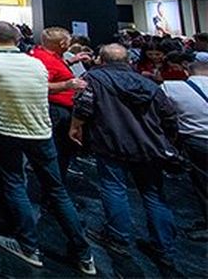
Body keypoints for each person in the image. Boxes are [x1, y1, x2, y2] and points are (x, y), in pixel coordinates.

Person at [0, 21, 94, 275]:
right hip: (41, 131)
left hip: (7, 131)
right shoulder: (36, 64)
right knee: (57, 190)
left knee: (15, 183)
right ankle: (85, 254)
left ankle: (29, 246)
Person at [70, 44, 179, 272]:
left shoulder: (94, 79)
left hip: (111, 142)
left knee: (113, 188)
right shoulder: (147, 83)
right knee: (154, 194)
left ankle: (118, 237)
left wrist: (76, 127)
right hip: (149, 146)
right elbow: (168, 114)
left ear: (101, 59)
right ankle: (165, 246)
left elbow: (84, 106)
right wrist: (166, 139)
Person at [29, 27, 87, 184]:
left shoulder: (46, 56)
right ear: (62, 43)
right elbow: (38, 85)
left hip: (61, 109)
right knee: (59, 152)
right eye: (68, 41)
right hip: (56, 110)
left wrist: (70, 61)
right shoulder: (45, 60)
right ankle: (53, 193)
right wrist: (67, 84)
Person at [161, 59, 208, 241]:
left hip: (197, 141)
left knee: (204, 184)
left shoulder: (172, 88)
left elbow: (163, 112)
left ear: (187, 71)